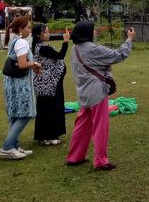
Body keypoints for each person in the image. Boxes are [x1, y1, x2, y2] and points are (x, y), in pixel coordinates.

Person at [66, 22, 136, 170]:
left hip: (83, 92)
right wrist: (129, 39)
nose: (96, 31)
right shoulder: (92, 49)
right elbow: (119, 55)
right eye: (93, 30)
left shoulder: (75, 49)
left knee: (82, 125)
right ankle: (101, 161)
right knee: (100, 127)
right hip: (96, 92)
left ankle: (74, 157)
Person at [0, 16, 41, 160]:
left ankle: (14, 146)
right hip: (21, 84)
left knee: (15, 114)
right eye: (28, 27)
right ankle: (7, 147)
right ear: (20, 29)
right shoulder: (22, 42)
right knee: (26, 113)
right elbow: (23, 64)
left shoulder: (14, 41)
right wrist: (35, 64)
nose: (30, 30)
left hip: (12, 83)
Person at [32, 24, 70, 145]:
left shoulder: (41, 46)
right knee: (48, 109)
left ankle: (48, 135)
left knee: (48, 108)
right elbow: (60, 56)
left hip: (49, 83)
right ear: (39, 35)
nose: (48, 34)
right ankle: (47, 136)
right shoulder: (43, 48)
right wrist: (65, 42)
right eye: (46, 32)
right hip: (48, 84)